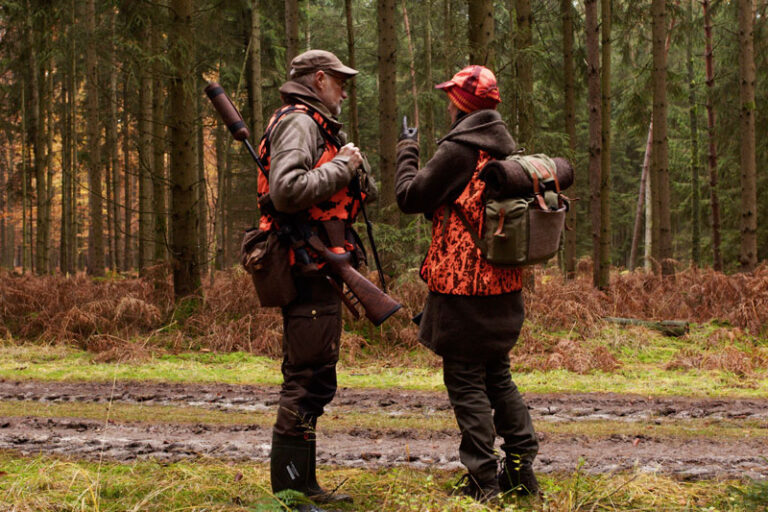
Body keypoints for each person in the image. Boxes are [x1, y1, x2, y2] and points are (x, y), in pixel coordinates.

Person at [395, 65, 540, 502]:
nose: (447, 103)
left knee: (466, 382)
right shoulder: (505, 153)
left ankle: (483, 482)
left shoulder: (459, 151)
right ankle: (521, 473)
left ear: (461, 104)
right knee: (498, 376)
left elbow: (409, 197)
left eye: (451, 97)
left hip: (462, 292)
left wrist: (407, 150)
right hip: (505, 290)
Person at [257, 49, 375, 508]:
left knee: (317, 377)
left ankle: (304, 486)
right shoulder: (299, 123)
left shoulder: (319, 126)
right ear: (319, 79)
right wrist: (343, 166)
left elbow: (346, 192)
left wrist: (354, 168)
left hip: (321, 264)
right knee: (305, 380)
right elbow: (286, 191)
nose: (345, 89)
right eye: (340, 81)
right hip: (305, 266)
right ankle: (288, 491)